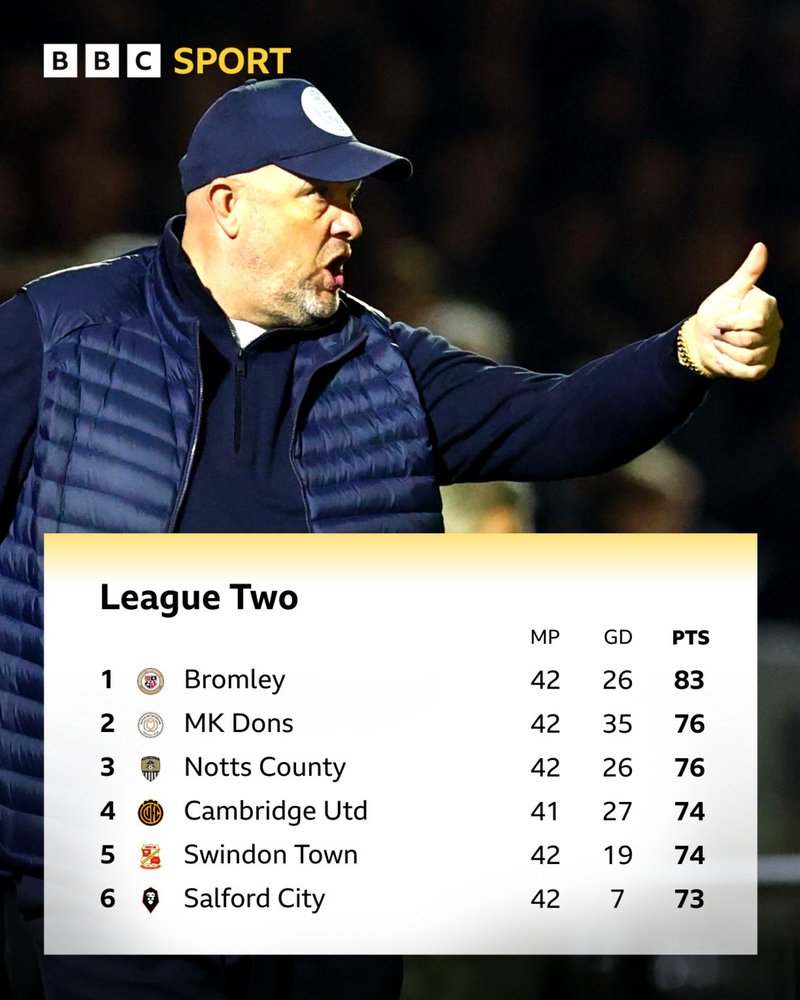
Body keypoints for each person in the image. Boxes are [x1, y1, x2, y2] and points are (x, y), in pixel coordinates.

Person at [0, 77, 782, 999]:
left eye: (354, 202)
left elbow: (564, 421)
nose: (350, 225)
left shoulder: (389, 367)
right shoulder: (59, 334)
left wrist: (686, 351)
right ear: (227, 206)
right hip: (117, 858)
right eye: (319, 198)